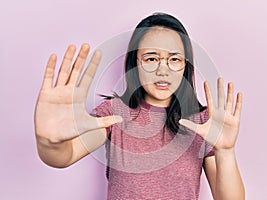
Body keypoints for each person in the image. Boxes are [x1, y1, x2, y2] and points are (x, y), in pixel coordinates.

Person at [34, 13, 245, 200]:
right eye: (151, 58)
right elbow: (64, 156)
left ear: (185, 65)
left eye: (174, 59)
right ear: (135, 63)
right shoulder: (114, 114)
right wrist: (48, 142)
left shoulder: (202, 123)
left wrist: (226, 151)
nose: (163, 70)